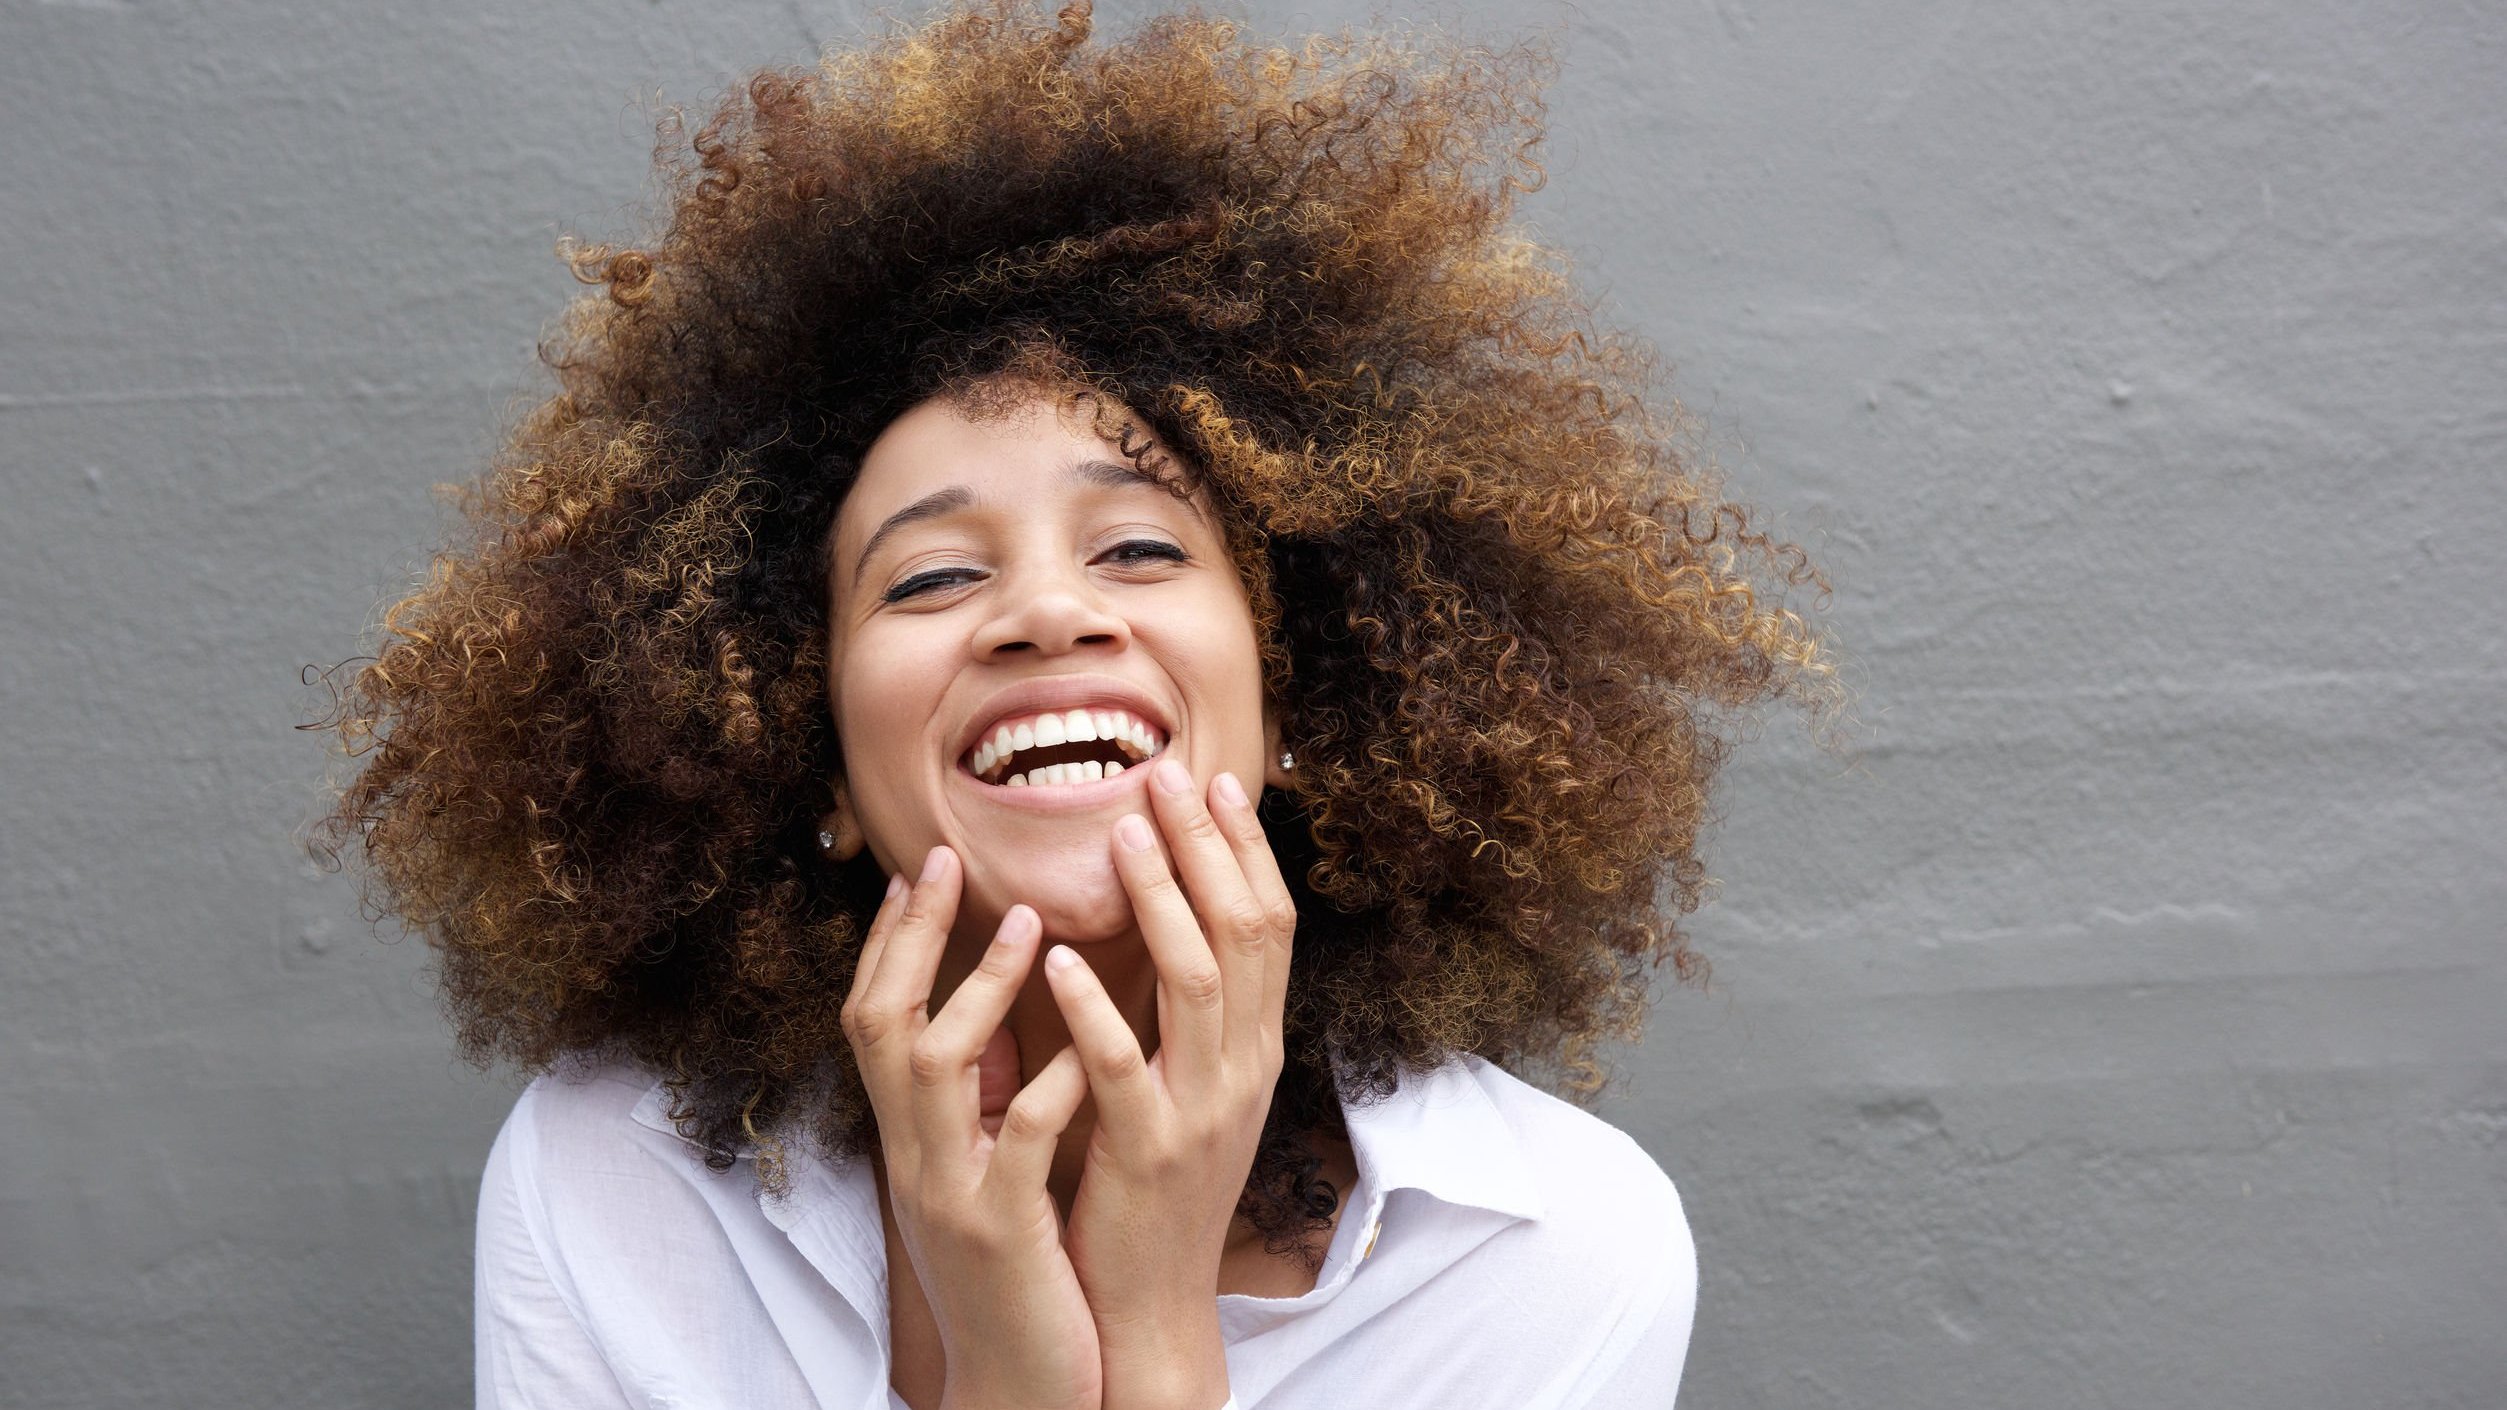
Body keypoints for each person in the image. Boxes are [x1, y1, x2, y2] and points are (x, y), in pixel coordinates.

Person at [310, 2, 1838, 1405]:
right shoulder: (616, 1181)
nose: (1047, 610)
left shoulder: (1549, 1249)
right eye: (924, 580)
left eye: (1139, 545)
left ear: (1304, 701)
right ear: (810, 759)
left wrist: (1159, 1331)